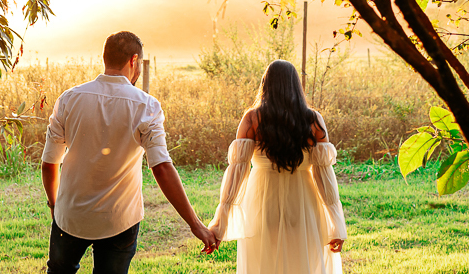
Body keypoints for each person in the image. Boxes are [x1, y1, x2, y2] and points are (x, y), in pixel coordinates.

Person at [41, 31, 218, 274]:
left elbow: (49, 162)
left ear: (105, 57)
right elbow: (162, 167)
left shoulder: (69, 99)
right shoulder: (147, 106)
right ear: (133, 61)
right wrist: (195, 225)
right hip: (119, 219)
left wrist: (54, 204)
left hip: (70, 215)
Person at [209, 59, 348, 274]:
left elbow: (237, 174)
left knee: (264, 264)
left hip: (262, 202)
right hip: (303, 201)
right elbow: (324, 176)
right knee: (303, 263)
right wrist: (336, 224)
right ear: (296, 86)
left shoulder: (252, 118)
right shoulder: (313, 120)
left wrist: (219, 225)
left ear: (266, 84)